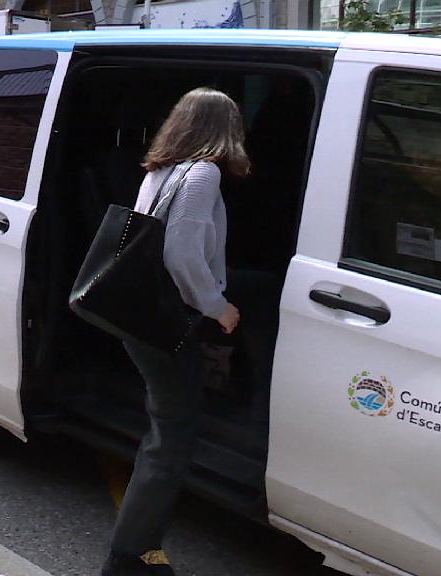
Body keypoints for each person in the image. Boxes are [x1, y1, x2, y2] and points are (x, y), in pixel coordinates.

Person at [101, 87, 249, 576]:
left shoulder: (162, 169)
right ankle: (131, 555)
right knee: (171, 437)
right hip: (166, 320)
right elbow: (181, 253)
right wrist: (218, 307)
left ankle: (136, 547)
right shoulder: (203, 173)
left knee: (167, 428)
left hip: (142, 315)